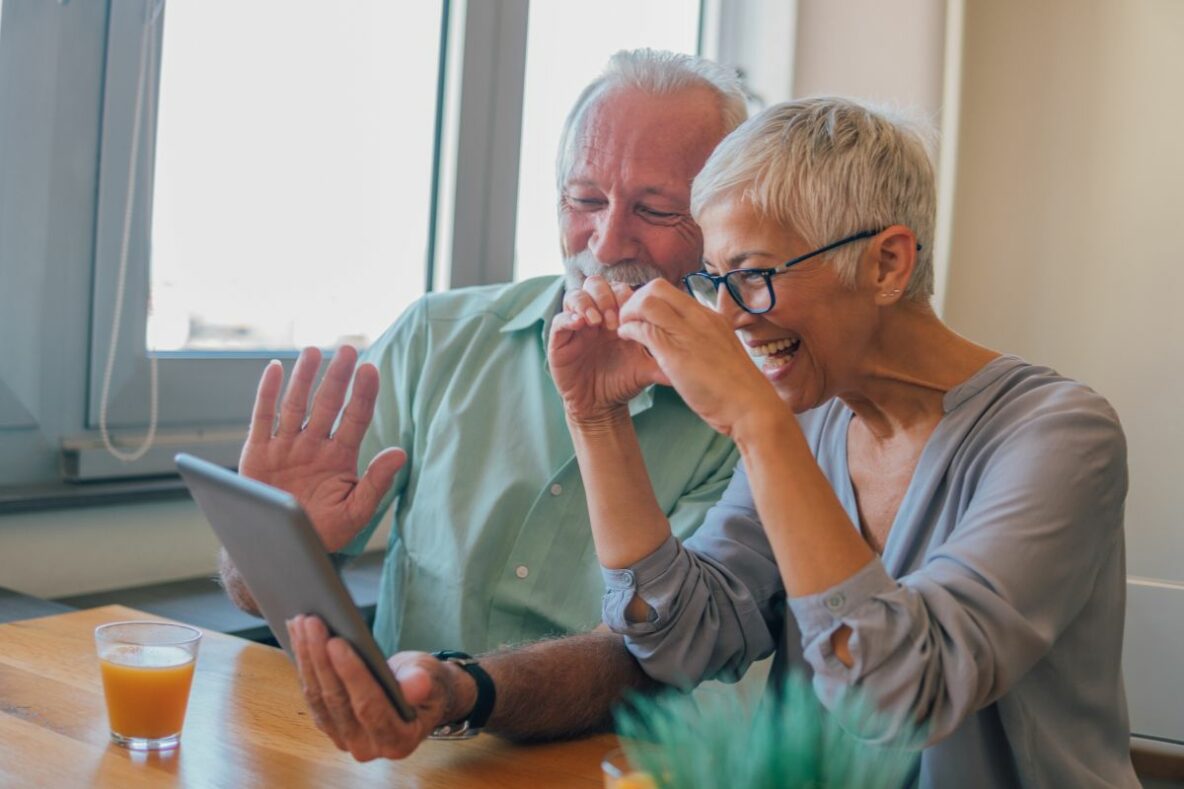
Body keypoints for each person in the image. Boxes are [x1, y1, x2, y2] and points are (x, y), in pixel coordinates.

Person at [285, 97, 1138, 788]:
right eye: (717, 281)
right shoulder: (813, 419)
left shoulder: (1059, 435)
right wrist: (597, 419)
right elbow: (684, 636)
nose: (728, 314)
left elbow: (902, 694)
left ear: (885, 264)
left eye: (755, 277)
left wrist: (757, 425)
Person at [221, 49, 746, 659]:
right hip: (405, 751)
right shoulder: (435, 337)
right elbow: (264, 589)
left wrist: (466, 696)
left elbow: (657, 653)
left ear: (717, 223)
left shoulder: (749, 411)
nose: (604, 244)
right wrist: (266, 547)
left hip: (613, 755)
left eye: (654, 209)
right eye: (585, 199)